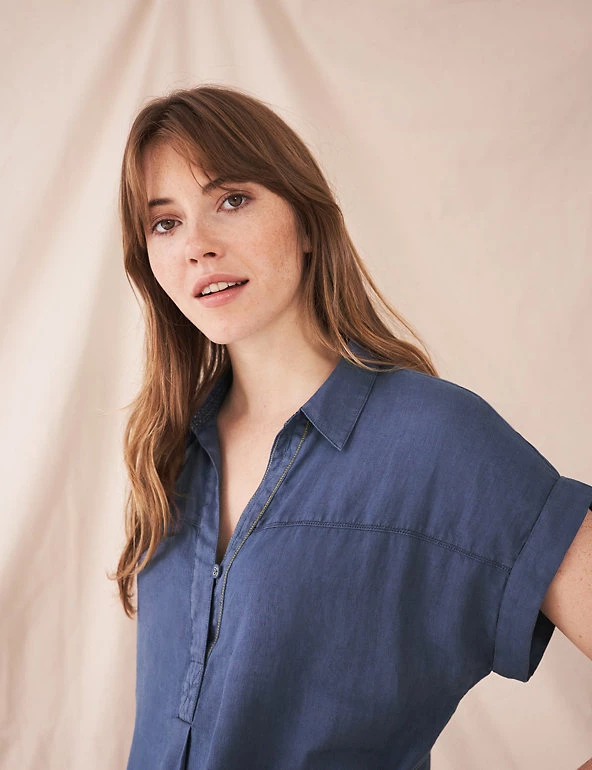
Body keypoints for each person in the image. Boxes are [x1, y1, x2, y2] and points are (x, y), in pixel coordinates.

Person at [111, 84, 592, 770]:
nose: (197, 245)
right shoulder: (170, 453)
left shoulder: (434, 440)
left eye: (232, 200)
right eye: (165, 223)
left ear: (306, 223)